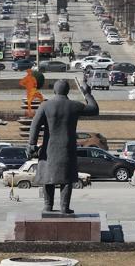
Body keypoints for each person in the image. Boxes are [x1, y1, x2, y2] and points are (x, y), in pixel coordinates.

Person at [27, 79, 99, 215]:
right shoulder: (74, 106)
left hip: (49, 148)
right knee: (66, 178)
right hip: (67, 148)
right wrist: (87, 93)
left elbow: (35, 125)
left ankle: (48, 206)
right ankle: (64, 207)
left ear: (54, 91)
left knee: (48, 177)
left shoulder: (45, 106)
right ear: (68, 91)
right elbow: (94, 109)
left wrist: (32, 144)